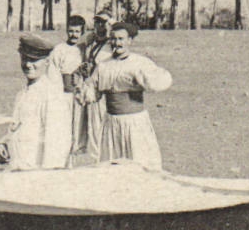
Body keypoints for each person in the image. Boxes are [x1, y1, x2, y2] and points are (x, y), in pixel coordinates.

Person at [89, 21, 172, 168]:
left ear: (129, 41)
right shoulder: (103, 65)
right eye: (113, 39)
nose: (117, 43)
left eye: (121, 39)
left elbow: (162, 81)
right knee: (111, 167)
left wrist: (140, 81)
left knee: (139, 164)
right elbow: (92, 93)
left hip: (135, 123)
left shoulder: (139, 63)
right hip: (111, 124)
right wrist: (83, 91)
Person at [0, 33, 73, 170]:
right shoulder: (22, 93)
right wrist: (3, 144)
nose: (28, 64)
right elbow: (19, 128)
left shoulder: (51, 95)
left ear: (47, 62)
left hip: (36, 173)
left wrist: (49, 175)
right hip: (19, 167)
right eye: (24, 59)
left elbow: (58, 141)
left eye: (34, 60)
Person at [72, 9, 114, 158]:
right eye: (98, 22)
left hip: (100, 89)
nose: (100, 26)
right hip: (86, 85)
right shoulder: (91, 41)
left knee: (98, 125)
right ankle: (81, 151)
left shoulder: (112, 44)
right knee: (82, 122)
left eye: (104, 22)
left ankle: (98, 157)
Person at [48, 15, 86, 92]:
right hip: (63, 91)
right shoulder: (59, 49)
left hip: (81, 91)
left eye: (77, 31)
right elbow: (52, 72)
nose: (74, 35)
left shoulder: (84, 49)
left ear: (82, 32)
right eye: (71, 31)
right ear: (67, 31)